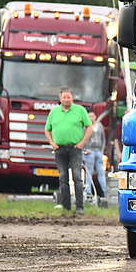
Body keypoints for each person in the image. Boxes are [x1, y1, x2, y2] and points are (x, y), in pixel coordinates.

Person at [44, 87, 93, 215]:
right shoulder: (54, 112)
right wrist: (52, 143)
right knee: (63, 177)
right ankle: (66, 207)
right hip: (59, 149)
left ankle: (79, 207)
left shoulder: (80, 110)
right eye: (64, 97)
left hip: (75, 149)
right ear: (60, 99)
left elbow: (89, 127)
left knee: (77, 177)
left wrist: (82, 143)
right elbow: (47, 129)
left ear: (72, 98)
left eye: (68, 97)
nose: (66, 100)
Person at [83, 110, 106, 197]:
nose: (91, 118)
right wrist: (85, 150)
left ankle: (104, 192)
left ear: (95, 117)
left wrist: (102, 151)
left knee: (101, 172)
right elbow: (83, 138)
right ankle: (88, 192)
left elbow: (103, 139)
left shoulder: (100, 126)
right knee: (89, 172)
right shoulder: (85, 127)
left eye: (92, 116)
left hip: (98, 151)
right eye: (89, 117)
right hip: (90, 151)